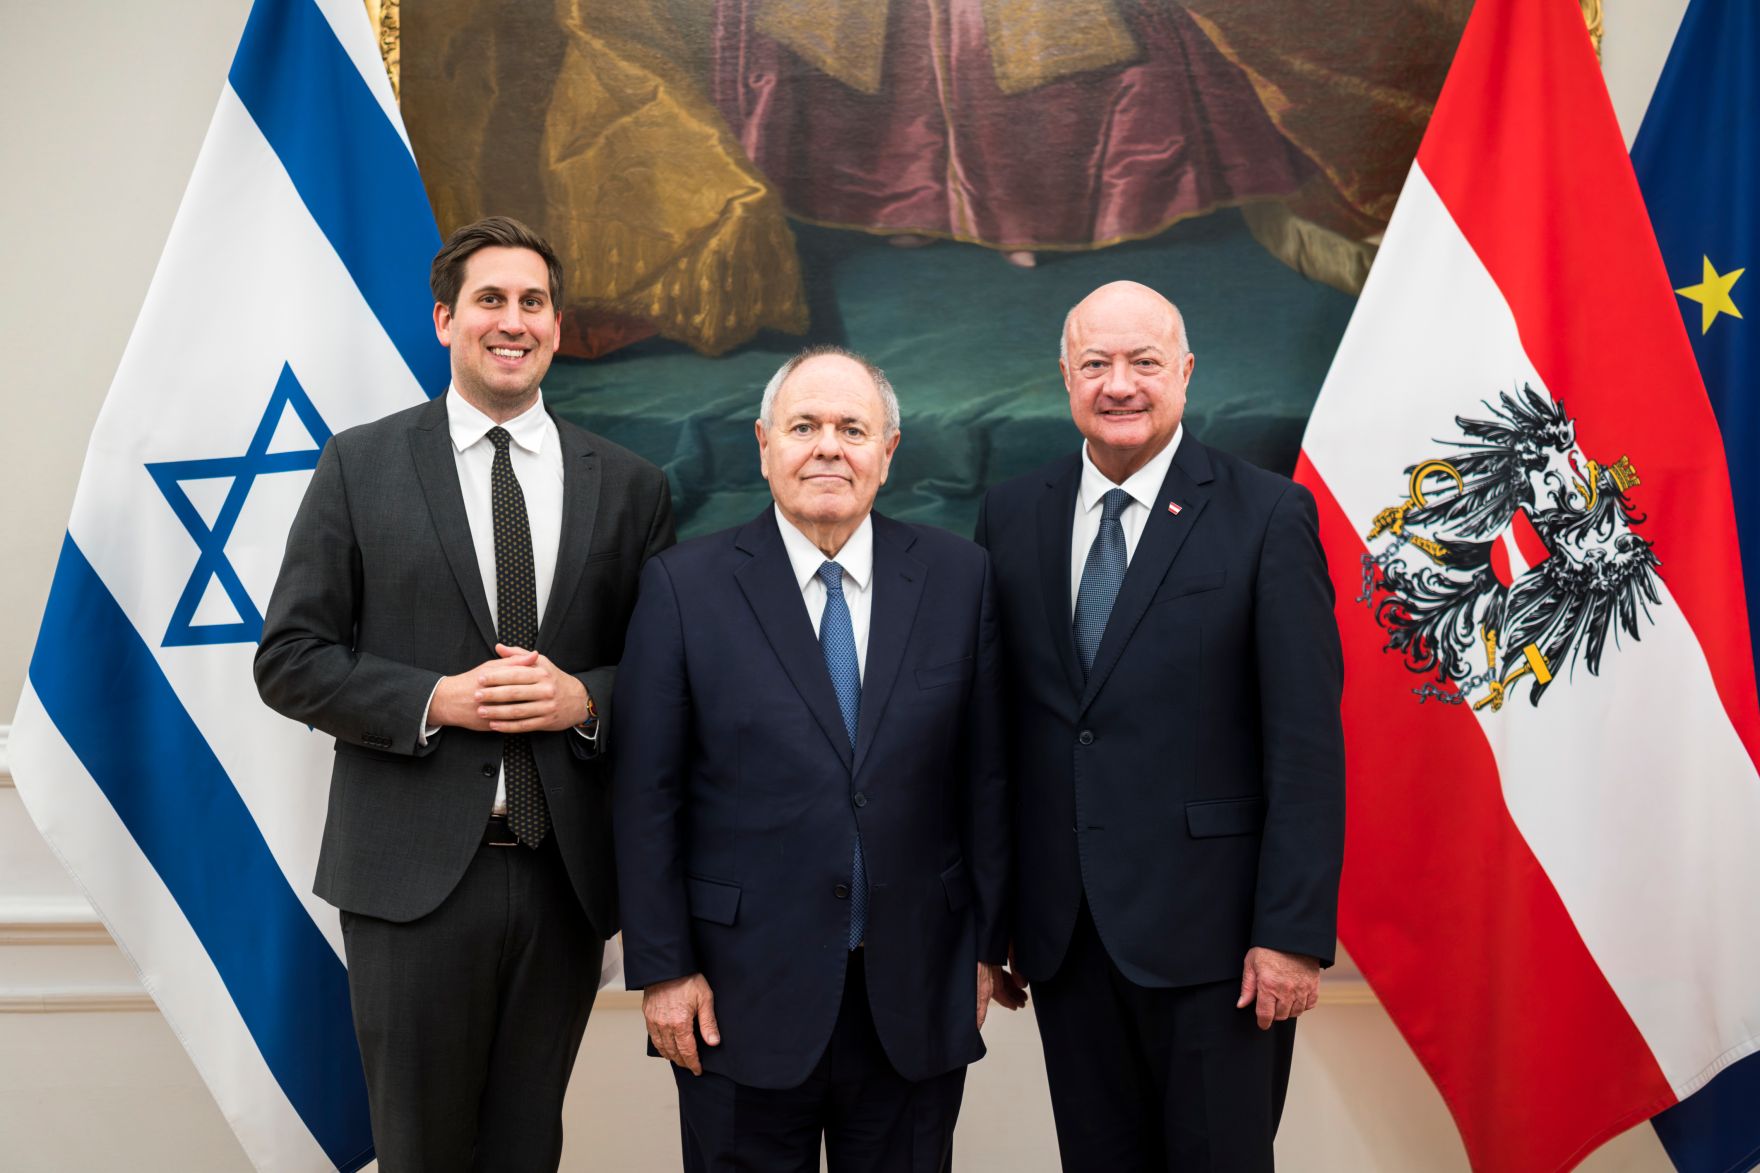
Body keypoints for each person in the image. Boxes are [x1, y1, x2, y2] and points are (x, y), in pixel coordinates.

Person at [254, 216, 674, 1170]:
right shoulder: (360, 465)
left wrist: (584, 700)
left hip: (564, 877)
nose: (512, 321)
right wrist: (435, 699)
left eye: (533, 302)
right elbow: (289, 657)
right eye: (490, 299)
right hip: (408, 882)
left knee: (526, 1147)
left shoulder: (632, 486)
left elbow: (668, 671)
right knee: (421, 1151)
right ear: (446, 319)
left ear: (557, 326)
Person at [974, 281, 1345, 1171]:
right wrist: (991, 930)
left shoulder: (1268, 514)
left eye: (1144, 361)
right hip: (1066, 939)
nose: (1119, 384)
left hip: (1223, 946)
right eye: (1095, 363)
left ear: (1185, 372)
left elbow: (1306, 746)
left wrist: (1292, 932)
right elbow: (995, 739)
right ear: (1064, 375)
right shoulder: (1013, 512)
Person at [612, 346, 1009, 1172]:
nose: (829, 446)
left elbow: (987, 780)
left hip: (915, 989)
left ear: (887, 453)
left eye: (852, 429)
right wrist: (664, 967)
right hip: (734, 995)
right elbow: (646, 794)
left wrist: (985, 944)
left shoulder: (960, 577)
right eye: (804, 426)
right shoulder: (683, 587)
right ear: (765, 446)